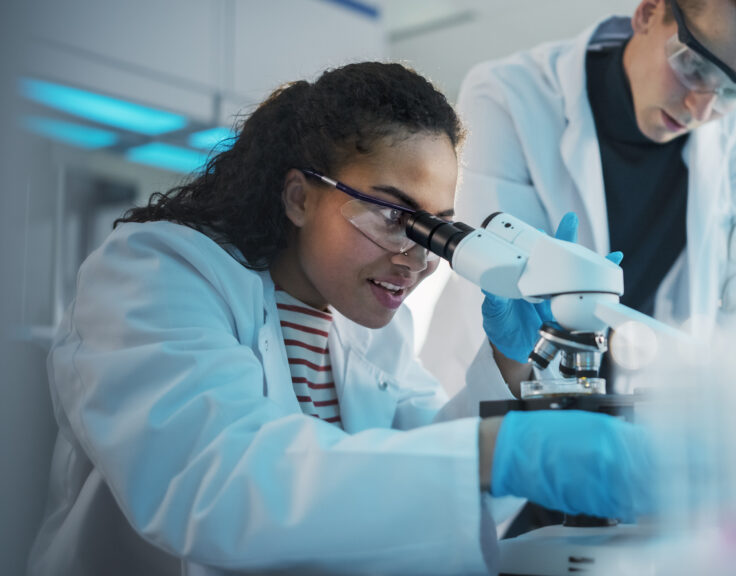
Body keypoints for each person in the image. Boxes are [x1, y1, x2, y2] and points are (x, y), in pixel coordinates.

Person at [27, 62, 652, 576]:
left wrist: (518, 368)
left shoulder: (369, 329)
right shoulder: (157, 272)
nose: (417, 259)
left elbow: (416, 472)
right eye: (394, 216)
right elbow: (217, 484)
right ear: (300, 197)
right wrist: (497, 451)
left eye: (436, 230)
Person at [423, 0, 736, 398]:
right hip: (496, 401)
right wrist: (570, 414)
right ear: (647, 13)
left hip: (652, 406)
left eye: (733, 90)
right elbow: (498, 287)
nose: (701, 107)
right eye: (694, 66)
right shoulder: (507, 95)